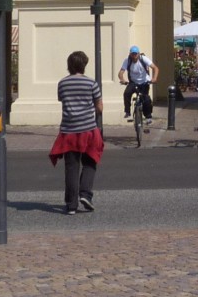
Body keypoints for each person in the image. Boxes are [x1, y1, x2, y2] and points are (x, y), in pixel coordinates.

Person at [48, 51, 104, 214]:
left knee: (71, 167)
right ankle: (85, 194)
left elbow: (62, 100)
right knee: (90, 161)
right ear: (84, 65)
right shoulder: (91, 83)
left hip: (69, 130)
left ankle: (71, 205)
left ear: (69, 65)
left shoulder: (62, 83)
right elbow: (99, 106)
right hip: (88, 129)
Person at [117, 46, 155, 127]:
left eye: (135, 54)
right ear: (130, 54)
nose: (134, 56)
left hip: (144, 82)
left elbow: (155, 68)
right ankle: (127, 111)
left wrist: (154, 79)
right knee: (127, 93)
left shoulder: (143, 59)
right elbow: (120, 73)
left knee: (146, 99)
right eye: (132, 54)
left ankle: (148, 117)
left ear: (138, 54)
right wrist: (122, 80)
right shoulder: (127, 60)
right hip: (133, 82)